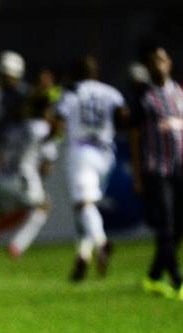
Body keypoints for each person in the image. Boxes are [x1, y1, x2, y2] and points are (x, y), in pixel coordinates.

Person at [130, 45, 183, 301]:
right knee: (165, 225)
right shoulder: (144, 97)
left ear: (169, 63)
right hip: (156, 168)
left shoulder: (181, 92)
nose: (159, 63)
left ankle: (155, 274)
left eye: (163, 59)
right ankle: (177, 278)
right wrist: (138, 175)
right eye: (153, 60)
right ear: (148, 67)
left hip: (181, 167)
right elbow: (136, 138)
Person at [56, 55, 127, 282]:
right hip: (106, 153)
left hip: (81, 150)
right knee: (88, 208)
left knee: (83, 204)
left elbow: (57, 119)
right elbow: (124, 114)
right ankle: (84, 254)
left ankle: (101, 243)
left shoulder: (72, 93)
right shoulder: (111, 92)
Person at [0, 95, 57, 261]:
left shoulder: (15, 128)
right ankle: (17, 245)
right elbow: (47, 164)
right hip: (24, 178)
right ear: (46, 111)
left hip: (5, 176)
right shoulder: (44, 129)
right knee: (44, 206)